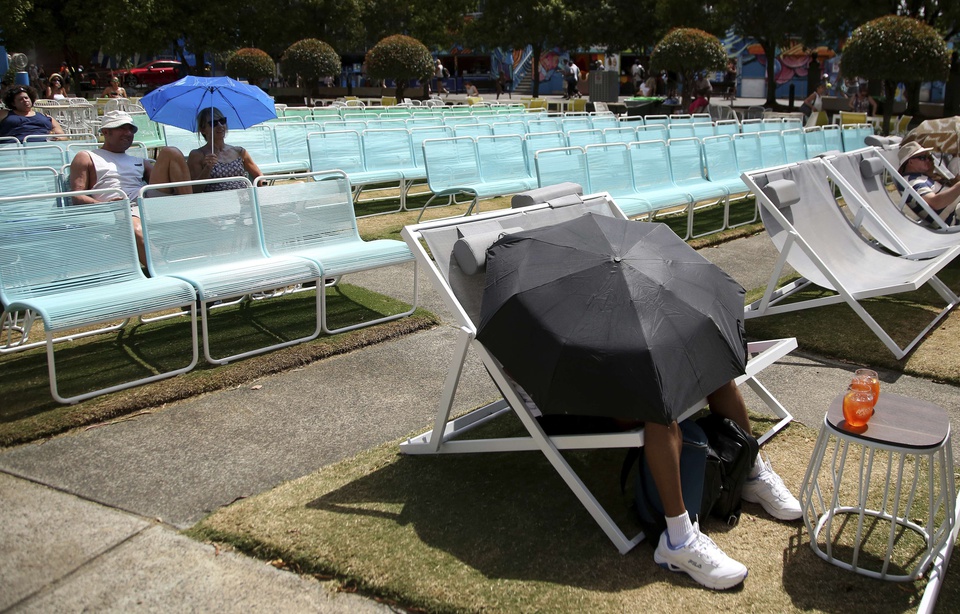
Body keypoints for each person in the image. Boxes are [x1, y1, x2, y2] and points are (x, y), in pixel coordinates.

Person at [645, 380, 801, 590]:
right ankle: (677, 540)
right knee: (657, 403)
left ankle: (751, 473)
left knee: (717, 375)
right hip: (606, 388)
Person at [69, 110, 192, 265]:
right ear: (106, 132)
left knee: (171, 152)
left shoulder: (140, 161)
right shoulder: (87, 156)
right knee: (136, 230)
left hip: (146, 200)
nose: (128, 133)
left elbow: (162, 186)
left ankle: (190, 208)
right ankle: (165, 272)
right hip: (120, 208)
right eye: (122, 128)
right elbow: (77, 196)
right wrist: (104, 206)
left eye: (132, 129)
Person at [187, 107, 263, 192]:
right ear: (203, 130)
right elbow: (194, 190)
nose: (220, 126)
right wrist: (207, 168)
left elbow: (259, 177)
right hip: (217, 201)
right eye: (213, 123)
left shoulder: (239, 152)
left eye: (222, 121)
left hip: (244, 199)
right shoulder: (197, 155)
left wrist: (265, 189)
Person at [896, 141, 960, 228]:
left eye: (928, 157)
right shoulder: (913, 181)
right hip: (955, 217)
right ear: (910, 162)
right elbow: (935, 203)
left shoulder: (921, 176)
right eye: (922, 157)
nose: (927, 160)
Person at [0, 85, 65, 142]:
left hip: (45, 145)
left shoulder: (45, 116)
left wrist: (58, 138)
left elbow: (62, 135)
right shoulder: (5, 114)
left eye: (26, 98)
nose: (25, 100)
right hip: (14, 146)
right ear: (13, 103)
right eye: (21, 99)